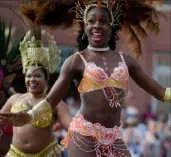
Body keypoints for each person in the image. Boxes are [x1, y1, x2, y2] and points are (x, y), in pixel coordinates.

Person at [1, 0, 171, 157]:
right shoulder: (75, 61)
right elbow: (51, 100)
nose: (97, 26)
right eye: (91, 21)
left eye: (103, 21)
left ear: (111, 26)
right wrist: (30, 116)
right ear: (84, 26)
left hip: (114, 138)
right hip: (84, 136)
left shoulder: (126, 61)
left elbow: (161, 92)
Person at [0, 28, 72, 157]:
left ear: (46, 79)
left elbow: (73, 129)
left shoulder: (55, 103)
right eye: (28, 76)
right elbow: (1, 120)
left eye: (37, 76)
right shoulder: (14, 99)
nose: (32, 79)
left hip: (47, 153)